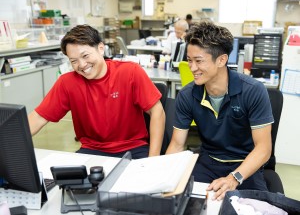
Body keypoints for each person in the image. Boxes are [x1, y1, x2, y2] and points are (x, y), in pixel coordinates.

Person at [166, 21, 273, 200]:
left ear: (222, 60)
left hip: (245, 166)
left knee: (253, 209)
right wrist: (161, 175)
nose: (192, 68)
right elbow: (177, 145)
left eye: (199, 61)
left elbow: (263, 148)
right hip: (208, 163)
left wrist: (234, 178)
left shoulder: (253, 90)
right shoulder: (187, 95)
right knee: (183, 203)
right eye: (189, 61)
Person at [28, 24, 165, 159]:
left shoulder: (130, 72)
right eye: (74, 61)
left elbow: (157, 111)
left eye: (86, 56)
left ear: (100, 48)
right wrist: (10, 143)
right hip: (92, 150)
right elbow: (38, 118)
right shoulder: (67, 83)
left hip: (133, 148)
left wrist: (153, 159)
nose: (81, 65)